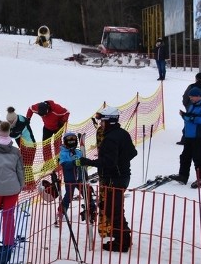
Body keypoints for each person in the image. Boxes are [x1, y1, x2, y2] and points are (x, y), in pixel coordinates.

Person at [77, 107, 138, 252]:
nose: (101, 124)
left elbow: (108, 162)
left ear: (109, 122)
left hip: (114, 179)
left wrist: (88, 162)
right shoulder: (122, 133)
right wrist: (120, 162)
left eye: (102, 121)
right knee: (114, 209)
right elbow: (132, 152)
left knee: (113, 211)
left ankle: (122, 243)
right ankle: (124, 238)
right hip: (122, 176)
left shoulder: (110, 138)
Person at [169, 87, 201, 188]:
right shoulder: (192, 105)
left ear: (198, 96)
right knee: (185, 156)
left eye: (192, 97)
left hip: (200, 136)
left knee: (198, 158)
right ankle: (183, 176)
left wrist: (189, 117)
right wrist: (185, 115)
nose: (191, 99)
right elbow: (189, 116)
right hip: (189, 135)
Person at [57, 132, 96, 226]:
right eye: (69, 139)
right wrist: (74, 163)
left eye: (73, 138)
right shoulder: (63, 153)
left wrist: (84, 170)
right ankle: (61, 211)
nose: (71, 140)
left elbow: (83, 163)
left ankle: (92, 208)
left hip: (80, 178)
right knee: (69, 195)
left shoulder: (79, 152)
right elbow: (64, 164)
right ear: (65, 141)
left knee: (86, 192)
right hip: (70, 178)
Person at [26, 100, 70, 166]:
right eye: (42, 115)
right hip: (47, 128)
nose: (44, 116)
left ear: (47, 109)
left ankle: (59, 161)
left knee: (57, 144)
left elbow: (67, 112)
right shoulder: (37, 107)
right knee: (45, 144)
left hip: (58, 127)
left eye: (44, 114)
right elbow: (30, 109)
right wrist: (28, 118)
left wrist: (63, 121)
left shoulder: (57, 109)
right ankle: (48, 163)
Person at [178, 73, 201, 144]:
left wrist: (187, 105)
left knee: (189, 122)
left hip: (191, 107)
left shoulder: (192, 86)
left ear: (196, 78)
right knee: (200, 124)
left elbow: (185, 97)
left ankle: (185, 139)